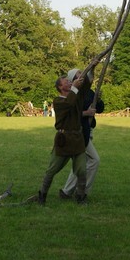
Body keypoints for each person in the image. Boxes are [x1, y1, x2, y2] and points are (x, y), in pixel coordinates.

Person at [37, 69, 91, 205]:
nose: (69, 82)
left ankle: (80, 197)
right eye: (66, 82)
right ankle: (42, 194)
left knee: (82, 170)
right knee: (52, 170)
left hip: (77, 139)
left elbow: (85, 87)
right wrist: (75, 88)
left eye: (69, 81)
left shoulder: (76, 96)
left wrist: (92, 68)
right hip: (64, 140)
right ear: (60, 87)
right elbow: (69, 103)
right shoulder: (58, 101)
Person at [60, 68, 105, 200]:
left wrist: (98, 100)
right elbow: (69, 115)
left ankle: (66, 192)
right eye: (79, 74)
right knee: (94, 160)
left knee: (81, 162)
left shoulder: (88, 91)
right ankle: (82, 192)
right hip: (77, 132)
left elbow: (100, 109)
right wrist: (86, 113)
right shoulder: (73, 94)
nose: (82, 75)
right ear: (73, 79)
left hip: (87, 130)